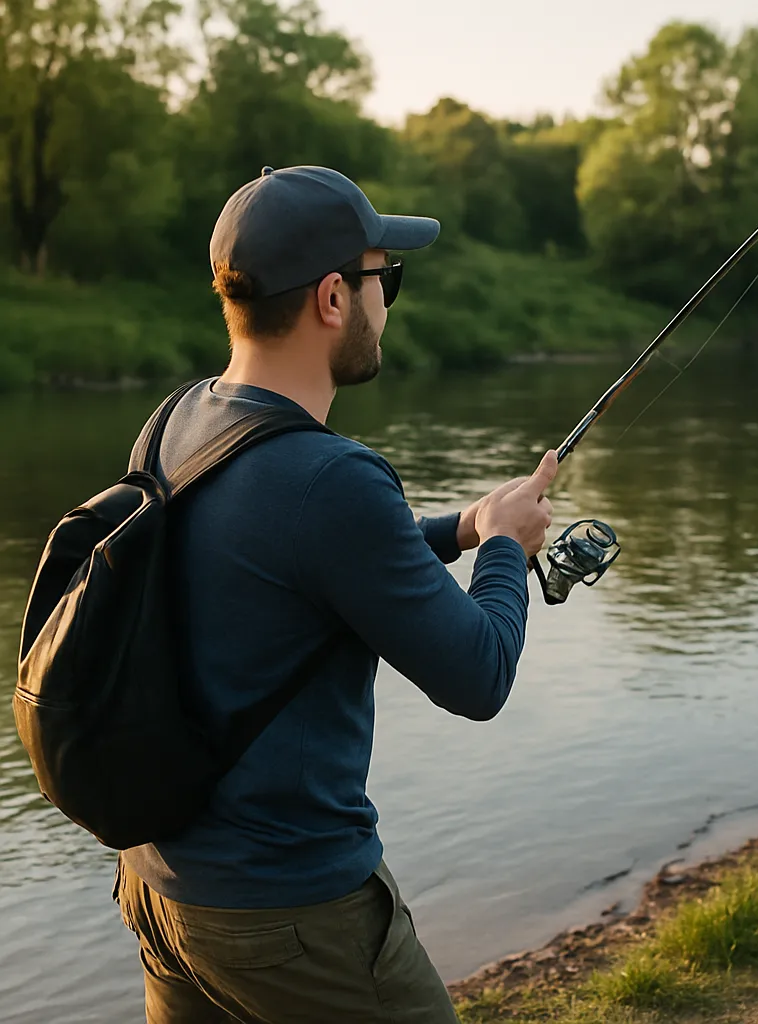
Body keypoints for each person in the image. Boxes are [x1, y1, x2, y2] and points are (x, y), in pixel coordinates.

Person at [114, 165, 557, 1023]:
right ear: (331, 299)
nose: (389, 301)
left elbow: (292, 562)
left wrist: (464, 526)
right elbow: (479, 675)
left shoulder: (177, 421)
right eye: (384, 278)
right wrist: (505, 550)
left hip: (160, 891)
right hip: (293, 915)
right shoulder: (333, 480)